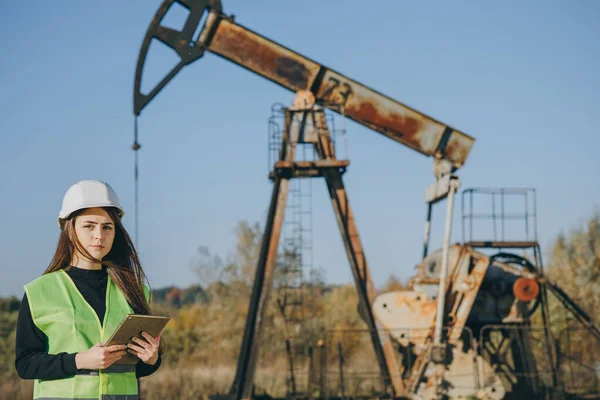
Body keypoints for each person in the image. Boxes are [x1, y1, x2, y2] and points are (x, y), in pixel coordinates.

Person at [15, 180, 162, 400]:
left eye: (107, 227)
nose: (99, 236)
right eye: (89, 225)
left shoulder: (135, 290)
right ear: (70, 229)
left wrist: (152, 360)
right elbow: (25, 364)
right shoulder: (40, 292)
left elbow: (135, 369)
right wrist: (80, 360)